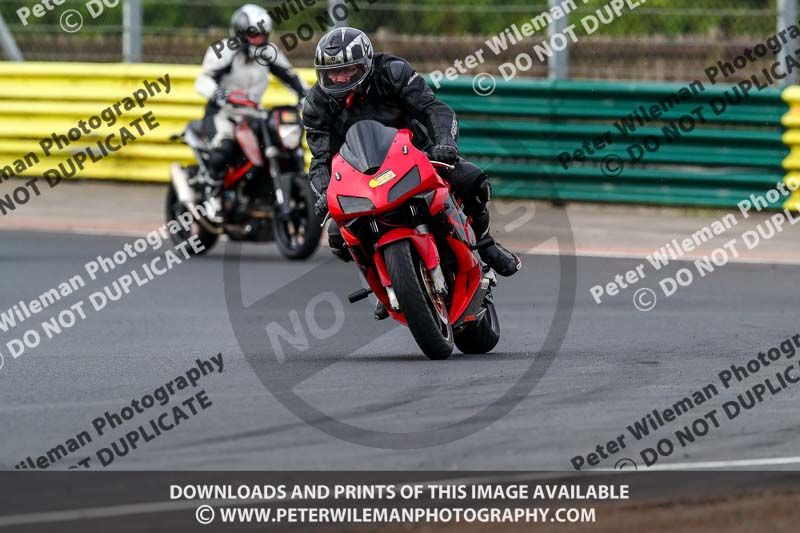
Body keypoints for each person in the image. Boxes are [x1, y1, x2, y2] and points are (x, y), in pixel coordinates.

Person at [303, 27, 522, 312]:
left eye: (347, 70)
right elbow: (321, 157)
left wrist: (444, 144)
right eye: (332, 73)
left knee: (473, 182)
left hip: (417, 153)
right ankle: (385, 281)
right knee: (338, 234)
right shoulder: (316, 103)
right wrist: (324, 192)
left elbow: (435, 109)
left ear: (365, 64)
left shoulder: (392, 71)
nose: (340, 78)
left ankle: (485, 243)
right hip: (363, 174)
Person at [194, 3, 308, 213]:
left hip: (253, 114)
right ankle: (211, 194)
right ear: (240, 33)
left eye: (263, 35)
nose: (259, 40)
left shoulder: (269, 52)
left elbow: (291, 77)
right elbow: (203, 80)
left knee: (277, 143)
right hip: (223, 113)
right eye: (254, 34)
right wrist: (219, 93)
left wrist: (307, 96)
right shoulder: (224, 51)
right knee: (224, 149)